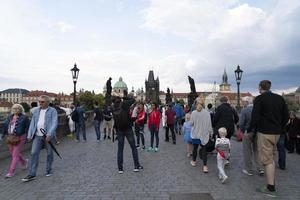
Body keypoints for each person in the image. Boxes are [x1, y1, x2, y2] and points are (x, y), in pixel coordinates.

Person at [251, 80, 289, 197]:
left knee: (267, 160)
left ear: (260, 88)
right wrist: (280, 127)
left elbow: (255, 118)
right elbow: (286, 117)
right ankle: (270, 185)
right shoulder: (279, 98)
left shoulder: (259, 99)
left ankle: (271, 188)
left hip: (265, 132)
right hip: (277, 133)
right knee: (271, 157)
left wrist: (252, 130)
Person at [22, 95, 58, 182]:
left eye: (42, 102)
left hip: (48, 136)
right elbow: (33, 123)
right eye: (39, 102)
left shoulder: (52, 111)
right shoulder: (36, 111)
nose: (40, 103)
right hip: (37, 135)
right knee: (34, 153)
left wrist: (49, 134)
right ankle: (32, 174)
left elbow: (55, 122)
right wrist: (29, 135)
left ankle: (49, 169)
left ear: (47, 102)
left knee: (49, 153)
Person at [112, 96, 143, 174]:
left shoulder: (113, 107)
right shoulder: (125, 104)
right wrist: (124, 97)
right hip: (128, 128)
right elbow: (133, 99)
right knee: (133, 148)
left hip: (119, 129)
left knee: (120, 149)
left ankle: (120, 168)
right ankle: (136, 166)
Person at [2, 104, 30, 178]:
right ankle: (24, 162)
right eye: (14, 108)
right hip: (10, 137)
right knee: (13, 153)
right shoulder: (9, 117)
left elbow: (28, 128)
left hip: (20, 137)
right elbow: (5, 126)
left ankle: (11, 172)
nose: (15, 110)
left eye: (18, 108)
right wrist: (2, 135)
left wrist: (28, 137)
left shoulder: (24, 118)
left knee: (15, 155)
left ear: (21, 110)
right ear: (12, 109)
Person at [239, 96, 264, 176]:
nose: (243, 103)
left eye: (243, 102)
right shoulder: (259, 110)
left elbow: (241, 123)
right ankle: (260, 168)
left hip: (248, 132)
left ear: (247, 102)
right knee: (257, 150)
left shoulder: (245, 110)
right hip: (258, 132)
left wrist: (243, 131)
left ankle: (249, 169)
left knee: (247, 151)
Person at [190, 100, 213, 173]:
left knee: (195, 148)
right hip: (204, 134)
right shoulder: (207, 113)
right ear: (203, 105)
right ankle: (205, 166)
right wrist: (211, 132)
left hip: (196, 134)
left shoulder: (193, 113)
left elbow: (191, 123)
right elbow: (209, 124)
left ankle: (194, 161)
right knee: (204, 150)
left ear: (196, 104)